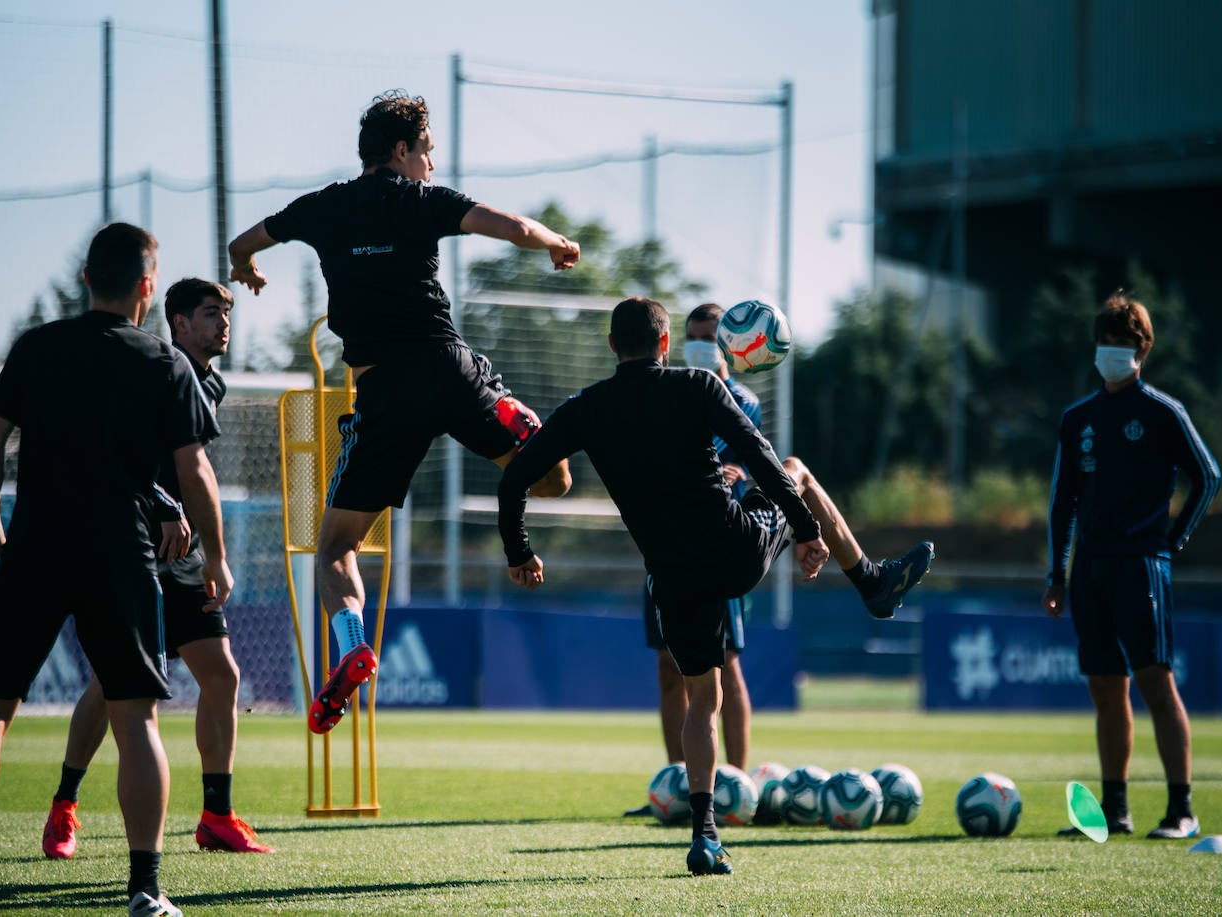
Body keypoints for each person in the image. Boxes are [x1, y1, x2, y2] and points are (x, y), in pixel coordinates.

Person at [0, 224, 229, 917]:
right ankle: (146, 892)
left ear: (86, 280)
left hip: (33, 549)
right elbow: (196, 470)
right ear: (148, 289)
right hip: (121, 554)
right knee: (137, 722)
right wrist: (216, 557)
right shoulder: (165, 362)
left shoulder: (37, 346)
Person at [227, 90, 578, 734]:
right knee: (554, 476)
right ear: (401, 151)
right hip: (449, 372)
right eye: (427, 153)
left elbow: (242, 241)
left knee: (335, 546)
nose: (431, 167)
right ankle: (522, 430)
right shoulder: (422, 201)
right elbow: (517, 229)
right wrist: (559, 243)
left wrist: (243, 267)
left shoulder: (321, 207)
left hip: (384, 394)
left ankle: (354, 644)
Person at [498, 297, 841, 875]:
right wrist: (804, 530)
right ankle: (869, 579)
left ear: (612, 346)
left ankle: (704, 835)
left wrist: (520, 551)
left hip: (672, 578)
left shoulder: (586, 408)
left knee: (701, 702)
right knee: (798, 470)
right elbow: (759, 456)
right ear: (664, 344)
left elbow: (513, 482)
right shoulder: (700, 386)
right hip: (735, 553)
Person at [626, 304, 935, 817]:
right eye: (693, 336)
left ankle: (738, 787)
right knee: (669, 671)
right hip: (665, 546)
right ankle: (677, 789)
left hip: (721, 538)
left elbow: (737, 467)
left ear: (730, 344)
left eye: (710, 337)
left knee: (723, 669)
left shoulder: (738, 397)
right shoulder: (669, 390)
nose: (700, 345)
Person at [39, 278, 272, 863]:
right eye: (211, 313)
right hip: (134, 542)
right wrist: (166, 508)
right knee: (113, 682)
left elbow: (187, 470)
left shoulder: (207, 381)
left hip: (185, 552)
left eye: (227, 312)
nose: (224, 322)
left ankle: (216, 815)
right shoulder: (154, 369)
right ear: (178, 321)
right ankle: (64, 806)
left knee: (222, 676)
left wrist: (209, 547)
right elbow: (118, 452)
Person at [1043, 291, 1220, 841]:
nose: (1111, 352)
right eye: (1105, 342)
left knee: (1155, 682)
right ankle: (1115, 810)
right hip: (1091, 569)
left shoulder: (1163, 412)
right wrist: (1058, 574)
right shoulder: (1079, 419)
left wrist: (1173, 539)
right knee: (1104, 687)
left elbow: (1208, 476)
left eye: (1122, 344)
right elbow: (1062, 503)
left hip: (1143, 565)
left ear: (1141, 351)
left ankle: (1180, 809)